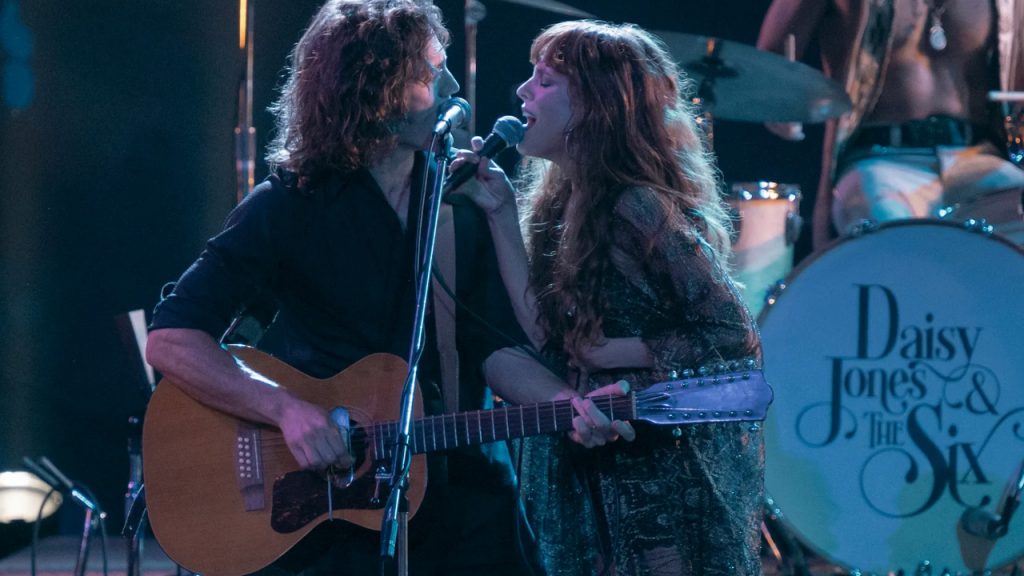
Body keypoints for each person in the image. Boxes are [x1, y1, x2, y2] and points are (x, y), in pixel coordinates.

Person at [145, 1, 544, 574]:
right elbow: (172, 339)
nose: (453, 87)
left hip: (469, 502)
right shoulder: (289, 205)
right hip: (337, 514)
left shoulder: (462, 201)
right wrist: (284, 409)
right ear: (372, 89)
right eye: (430, 72)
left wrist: (568, 404)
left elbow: (497, 349)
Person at [452, 20, 765, 576]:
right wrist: (499, 211)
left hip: (660, 473)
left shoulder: (639, 206)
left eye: (545, 81)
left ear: (594, 105)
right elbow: (546, 337)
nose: (523, 92)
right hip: (591, 464)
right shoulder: (558, 204)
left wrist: (618, 351)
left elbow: (732, 334)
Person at [757, 0, 1024, 248]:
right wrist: (781, 101)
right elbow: (765, 65)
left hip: (978, 157)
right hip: (879, 161)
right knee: (894, 242)